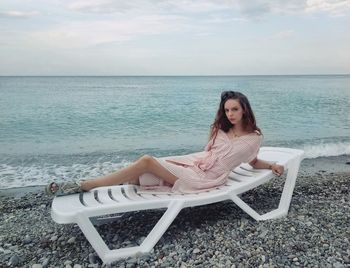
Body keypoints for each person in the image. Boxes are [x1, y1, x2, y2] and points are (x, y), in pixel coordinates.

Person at [46, 91, 284, 196]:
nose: (230, 114)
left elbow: (252, 161)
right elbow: (207, 152)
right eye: (227, 110)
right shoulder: (219, 129)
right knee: (136, 178)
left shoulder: (254, 138)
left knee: (147, 161)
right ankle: (84, 188)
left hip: (207, 178)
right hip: (194, 164)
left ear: (244, 109)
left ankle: (86, 185)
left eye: (235, 109)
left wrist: (271, 164)